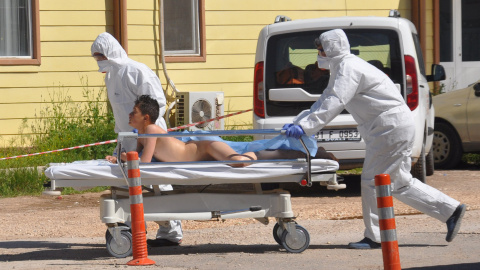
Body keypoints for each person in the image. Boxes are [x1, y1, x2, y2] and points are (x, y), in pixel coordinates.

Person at [283, 29, 466, 249]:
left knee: (372, 182)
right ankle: (451, 210)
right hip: (391, 128)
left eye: (320, 50)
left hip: (390, 129)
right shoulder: (343, 68)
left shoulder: (349, 69)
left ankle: (376, 237)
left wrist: (304, 127)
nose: (318, 54)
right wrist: (298, 122)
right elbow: (324, 100)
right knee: (399, 183)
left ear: (331, 49)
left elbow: (334, 102)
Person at [91, 32, 183, 247]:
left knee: (157, 182)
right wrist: (120, 145)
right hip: (128, 136)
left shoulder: (137, 71)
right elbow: (119, 111)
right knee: (129, 184)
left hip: (149, 135)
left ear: (110, 52)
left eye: (100, 56)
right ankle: (133, 228)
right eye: (96, 57)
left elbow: (156, 104)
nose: (99, 60)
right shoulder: (111, 76)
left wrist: (143, 133)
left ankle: (171, 232)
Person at [106, 95, 257, 166]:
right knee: (235, 162)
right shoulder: (141, 135)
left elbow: (143, 162)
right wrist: (118, 159)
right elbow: (139, 157)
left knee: (239, 162)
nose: (130, 115)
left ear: (145, 118)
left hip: (204, 148)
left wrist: (124, 157)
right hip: (197, 154)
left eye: (134, 112)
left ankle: (257, 154)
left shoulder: (151, 129)